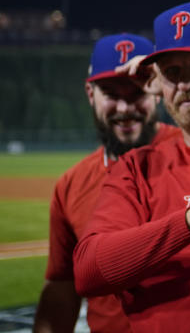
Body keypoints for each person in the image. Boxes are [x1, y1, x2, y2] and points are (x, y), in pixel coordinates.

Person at [73, 0, 190, 332]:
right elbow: (89, 270)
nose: (185, 83)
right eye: (173, 72)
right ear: (158, 84)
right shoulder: (138, 169)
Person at [34, 34, 179, 333]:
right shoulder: (71, 185)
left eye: (136, 92)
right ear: (90, 94)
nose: (125, 108)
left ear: (155, 91)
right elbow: (62, 288)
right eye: (111, 93)